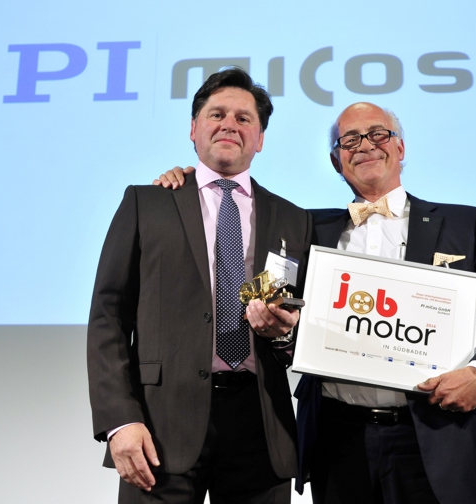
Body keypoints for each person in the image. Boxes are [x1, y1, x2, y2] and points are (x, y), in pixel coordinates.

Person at [153, 102, 476, 504]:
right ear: (336, 161)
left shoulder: (464, 225)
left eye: (378, 134)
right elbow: (261, 278)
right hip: (337, 441)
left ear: (400, 148)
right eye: (350, 140)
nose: (366, 146)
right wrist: (194, 185)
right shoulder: (305, 227)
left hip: (433, 435)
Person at [87, 68, 312, 503]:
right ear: (194, 129)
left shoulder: (294, 219)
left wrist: (285, 334)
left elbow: (305, 324)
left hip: (261, 426)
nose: (230, 124)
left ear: (260, 138)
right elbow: (107, 316)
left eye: (244, 118)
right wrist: (119, 420)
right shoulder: (148, 202)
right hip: (160, 425)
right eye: (217, 114)